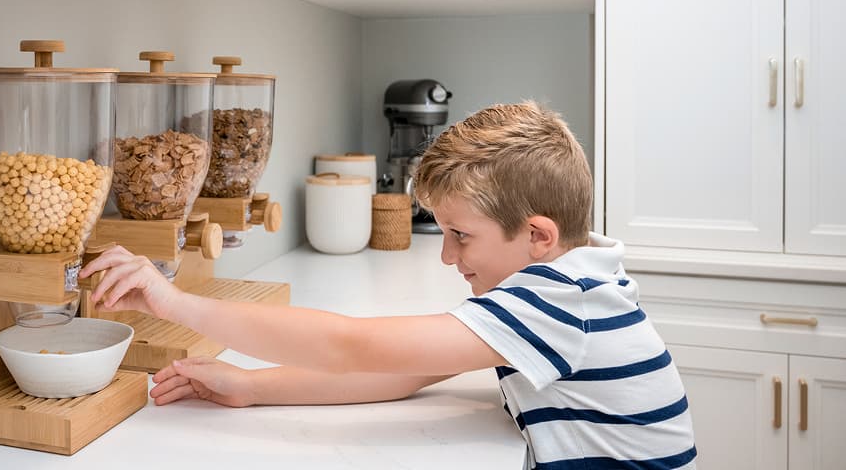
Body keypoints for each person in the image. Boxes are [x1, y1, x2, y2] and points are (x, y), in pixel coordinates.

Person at [80, 102, 697, 469]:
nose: (447, 256)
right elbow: (405, 371)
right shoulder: (571, 280)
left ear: (537, 234)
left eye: (460, 235)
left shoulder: (559, 303)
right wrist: (249, 387)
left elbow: (352, 346)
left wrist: (175, 301)